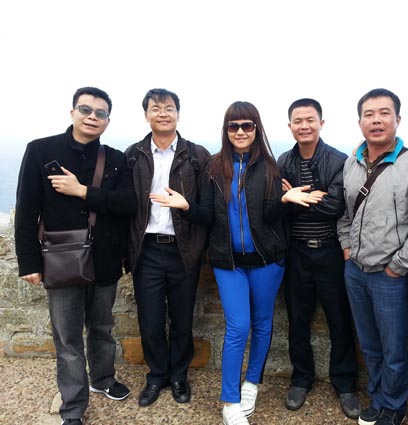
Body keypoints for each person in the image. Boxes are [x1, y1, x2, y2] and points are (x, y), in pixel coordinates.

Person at [14, 87, 137, 425]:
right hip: (60, 258)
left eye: (100, 113)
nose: (92, 117)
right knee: (67, 338)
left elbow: (128, 204)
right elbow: (27, 210)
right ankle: (73, 406)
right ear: (72, 112)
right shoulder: (41, 150)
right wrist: (29, 262)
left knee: (102, 327)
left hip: (105, 259)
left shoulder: (115, 159)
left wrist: (83, 191)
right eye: (85, 109)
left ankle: (103, 379)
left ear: (107, 121)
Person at [197, 101, 312, 425]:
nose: (240, 132)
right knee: (238, 326)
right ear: (226, 130)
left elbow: (270, 215)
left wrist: (286, 201)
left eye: (247, 125)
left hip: (267, 261)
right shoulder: (213, 167)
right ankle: (230, 400)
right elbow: (207, 215)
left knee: (262, 323)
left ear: (256, 129)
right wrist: (186, 208)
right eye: (233, 126)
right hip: (228, 263)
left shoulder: (271, 167)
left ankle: (251, 383)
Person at [337, 88, 408, 425]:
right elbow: (345, 214)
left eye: (384, 113)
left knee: (393, 348)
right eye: (369, 114)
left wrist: (398, 266)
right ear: (360, 122)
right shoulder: (351, 163)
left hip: (389, 275)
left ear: (398, 119)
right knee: (369, 344)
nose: (376, 120)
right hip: (355, 270)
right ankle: (378, 398)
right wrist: (346, 247)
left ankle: (394, 406)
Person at [125, 88, 212, 407]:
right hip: (146, 249)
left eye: (169, 108)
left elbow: (208, 210)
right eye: (156, 108)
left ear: (178, 113)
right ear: (146, 114)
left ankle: (178, 376)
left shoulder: (197, 155)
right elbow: (124, 207)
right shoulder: (133, 155)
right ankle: (156, 376)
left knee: (182, 320)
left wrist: (186, 207)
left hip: (183, 249)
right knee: (149, 321)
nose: (163, 113)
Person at [277, 98, 360, 419]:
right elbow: (279, 204)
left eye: (310, 120)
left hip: (330, 252)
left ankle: (345, 384)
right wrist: (308, 196)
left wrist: (297, 196)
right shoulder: (284, 161)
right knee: (297, 320)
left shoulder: (338, 161)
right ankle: (301, 379)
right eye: (298, 121)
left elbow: (335, 207)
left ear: (321, 123)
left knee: (340, 320)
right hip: (296, 252)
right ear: (290, 126)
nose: (304, 126)